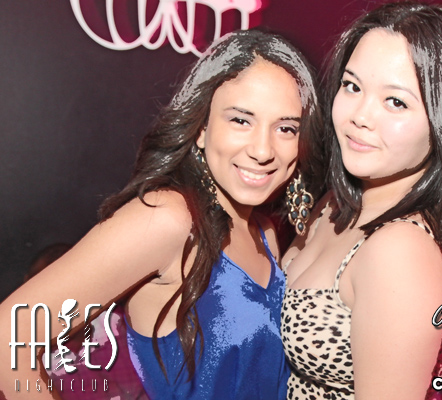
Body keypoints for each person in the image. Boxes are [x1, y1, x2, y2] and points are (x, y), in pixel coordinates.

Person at [0, 29, 322, 400]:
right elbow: (11, 336)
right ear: (201, 127)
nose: (263, 150)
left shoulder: (264, 231)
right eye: (240, 120)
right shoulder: (168, 218)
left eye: (286, 128)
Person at [280, 2, 442, 399]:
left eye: (396, 102)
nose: (360, 116)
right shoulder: (336, 203)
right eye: (352, 86)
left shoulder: (400, 252)